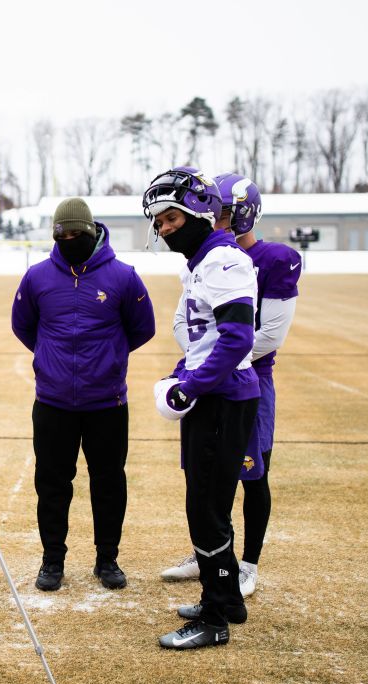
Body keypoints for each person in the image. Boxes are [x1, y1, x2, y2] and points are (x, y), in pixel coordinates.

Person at [161, 173, 301, 601]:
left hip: (243, 380)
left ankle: (246, 564)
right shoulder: (203, 259)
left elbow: (265, 337)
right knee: (204, 484)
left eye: (221, 212)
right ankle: (213, 557)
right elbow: (185, 324)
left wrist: (214, 365)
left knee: (250, 474)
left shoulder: (264, 259)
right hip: (211, 378)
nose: (214, 219)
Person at [11, 198, 156, 592]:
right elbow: (23, 326)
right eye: (63, 234)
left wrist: (109, 360)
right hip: (53, 402)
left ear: (92, 231)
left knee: (109, 482)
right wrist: (50, 358)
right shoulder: (38, 277)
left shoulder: (123, 276)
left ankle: (107, 558)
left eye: (77, 233)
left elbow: (143, 329)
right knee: (52, 484)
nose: (70, 240)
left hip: (107, 402)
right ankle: (52, 560)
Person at [145, 166, 260, 649]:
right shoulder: (203, 262)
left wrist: (190, 386)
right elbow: (206, 336)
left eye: (171, 218)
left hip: (222, 397)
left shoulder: (223, 260)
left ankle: (214, 620)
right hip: (214, 394)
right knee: (208, 499)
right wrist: (183, 370)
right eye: (160, 223)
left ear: (198, 210)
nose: (165, 229)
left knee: (206, 507)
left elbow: (237, 337)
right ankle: (228, 596)